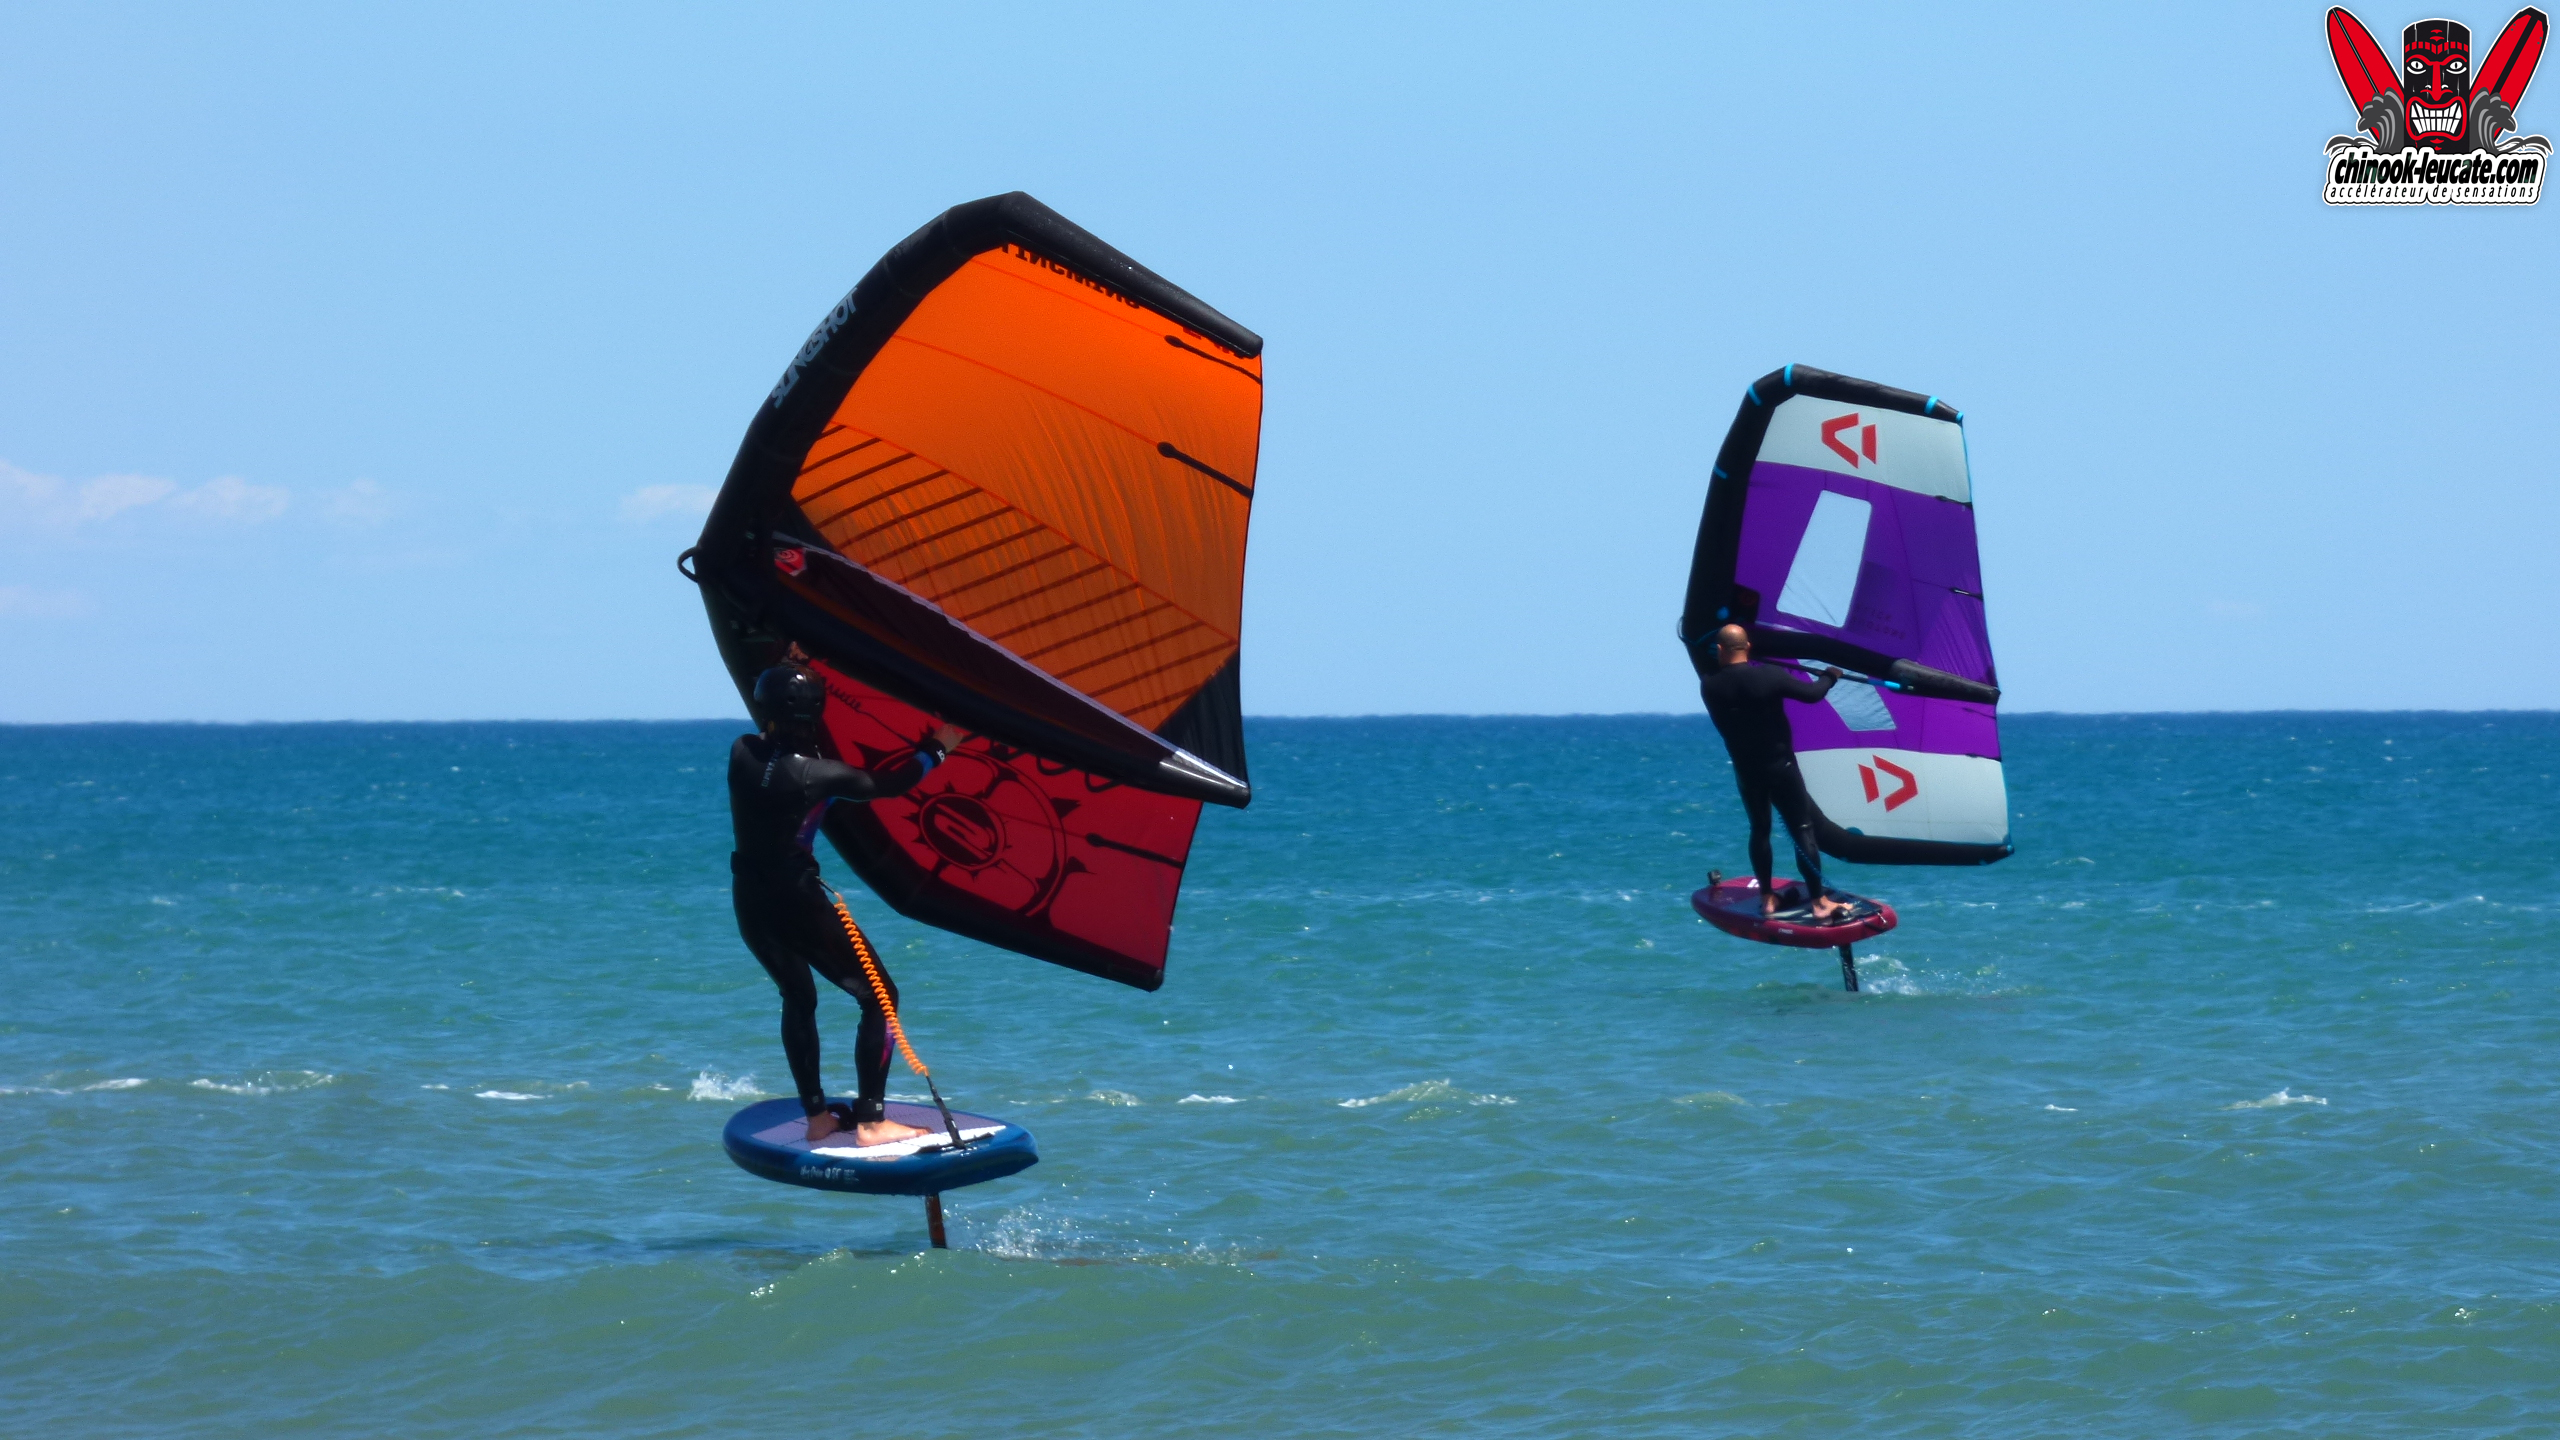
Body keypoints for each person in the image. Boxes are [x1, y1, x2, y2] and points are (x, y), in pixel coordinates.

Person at [729, 661, 967, 1145]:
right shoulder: (820, 775)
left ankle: (818, 1117)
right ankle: (873, 1122)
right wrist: (941, 745)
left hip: (749, 899)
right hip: (796, 901)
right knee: (880, 997)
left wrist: (787, 662)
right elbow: (891, 783)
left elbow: (773, 734)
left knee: (798, 997)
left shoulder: (742, 751)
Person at [1700, 623, 1851, 922]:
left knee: (1760, 830)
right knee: (1802, 829)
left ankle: (1767, 897)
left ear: (1719, 650)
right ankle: (1819, 902)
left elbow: (1732, 675)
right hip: (1781, 767)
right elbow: (1812, 694)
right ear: (1748, 647)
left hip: (1747, 772)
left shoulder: (1709, 685)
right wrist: (1830, 676)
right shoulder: (1770, 676)